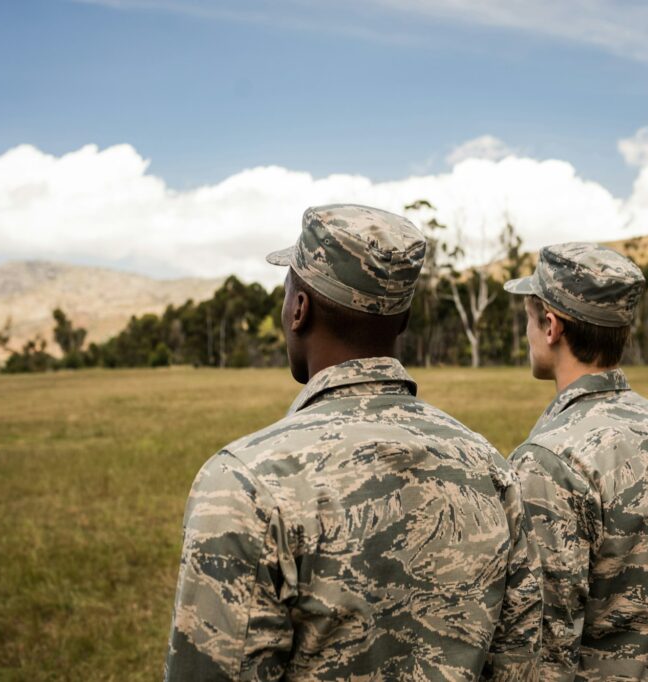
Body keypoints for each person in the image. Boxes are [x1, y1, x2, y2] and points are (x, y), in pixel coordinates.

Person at [164, 204, 542, 681]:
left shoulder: (244, 483)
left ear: (298, 310)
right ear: (402, 322)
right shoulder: (491, 469)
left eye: (288, 295)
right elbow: (523, 666)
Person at [504, 242, 648, 680]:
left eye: (528, 316)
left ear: (550, 325)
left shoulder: (548, 459)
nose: (525, 333)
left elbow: (543, 646)